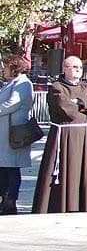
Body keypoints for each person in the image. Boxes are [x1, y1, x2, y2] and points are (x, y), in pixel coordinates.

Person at [32, 56, 87, 213]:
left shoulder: (86, 87)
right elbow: (65, 109)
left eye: (80, 67)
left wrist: (79, 103)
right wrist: (83, 107)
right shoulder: (57, 87)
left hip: (82, 135)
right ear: (64, 68)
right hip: (63, 135)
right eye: (74, 67)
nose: (78, 70)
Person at [0, 54, 36, 214]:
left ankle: (10, 202)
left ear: (13, 67)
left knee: (12, 168)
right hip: (5, 132)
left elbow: (11, 104)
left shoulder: (23, 83)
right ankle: (5, 199)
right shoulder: (11, 83)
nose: (3, 70)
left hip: (14, 134)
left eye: (5, 66)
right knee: (4, 168)